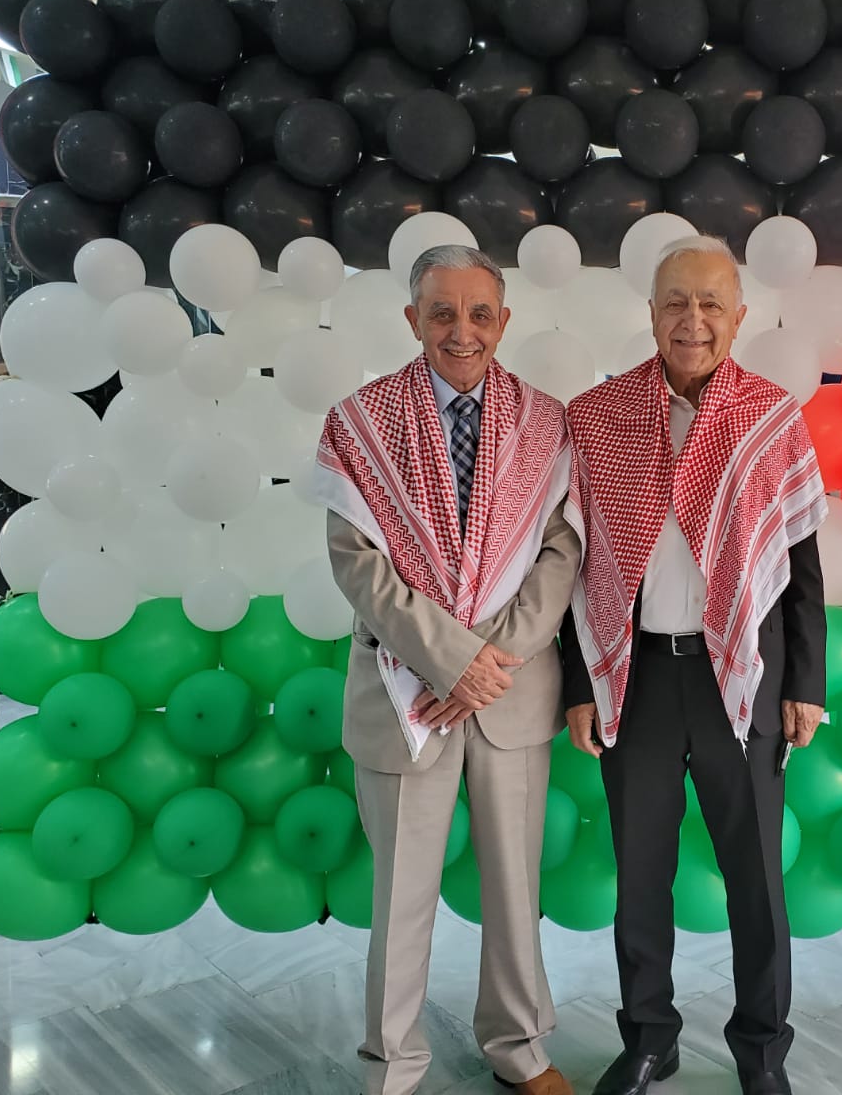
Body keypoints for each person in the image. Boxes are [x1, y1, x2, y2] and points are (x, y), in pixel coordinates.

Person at [560, 235, 828, 1095]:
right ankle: (650, 1038)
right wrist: (578, 685)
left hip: (741, 681)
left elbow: (801, 563)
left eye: (712, 304)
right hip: (636, 677)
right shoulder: (597, 418)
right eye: (676, 302)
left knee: (756, 880)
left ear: (739, 317)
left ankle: (762, 1051)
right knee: (640, 874)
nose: (693, 320)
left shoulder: (771, 416)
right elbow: (575, 565)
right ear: (650, 313)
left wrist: (805, 685)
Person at [314, 244, 580, 1095]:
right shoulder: (360, 422)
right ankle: (393, 1066)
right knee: (400, 899)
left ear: (503, 321)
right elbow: (356, 561)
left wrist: (489, 663)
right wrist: (451, 661)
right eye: (442, 312)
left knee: (515, 890)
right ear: (412, 319)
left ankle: (521, 1048)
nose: (461, 331)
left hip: (511, 690)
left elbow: (562, 553)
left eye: (479, 313)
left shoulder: (546, 422)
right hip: (404, 693)